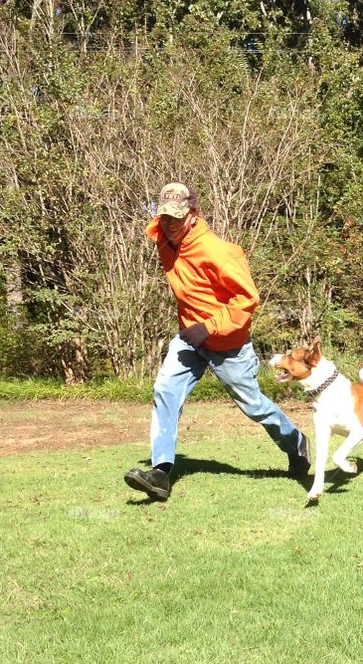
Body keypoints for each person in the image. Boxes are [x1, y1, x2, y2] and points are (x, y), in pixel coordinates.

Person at [124, 182, 309, 502]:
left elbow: (247, 299)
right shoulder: (163, 239)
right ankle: (160, 472)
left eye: (176, 217)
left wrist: (209, 327)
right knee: (165, 390)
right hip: (189, 338)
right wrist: (195, 329)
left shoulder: (218, 252)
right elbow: (151, 227)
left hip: (227, 343)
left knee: (253, 405)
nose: (169, 224)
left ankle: (296, 443)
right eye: (164, 217)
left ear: (192, 214)